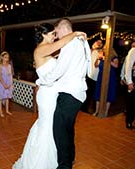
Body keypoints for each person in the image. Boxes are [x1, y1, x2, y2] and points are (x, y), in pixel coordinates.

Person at [13, 23, 86, 169]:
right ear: (44, 35)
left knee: (53, 127)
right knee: (47, 127)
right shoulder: (41, 49)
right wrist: (75, 33)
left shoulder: (48, 51)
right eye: (53, 33)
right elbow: (61, 43)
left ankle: (55, 159)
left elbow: (62, 56)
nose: (55, 36)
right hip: (47, 95)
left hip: (53, 93)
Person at [36, 18, 91, 169]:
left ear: (62, 28)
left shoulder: (71, 44)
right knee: (67, 128)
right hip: (75, 91)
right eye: (53, 33)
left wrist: (42, 81)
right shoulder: (80, 42)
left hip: (69, 92)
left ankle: (64, 166)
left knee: (60, 131)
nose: (56, 35)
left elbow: (60, 70)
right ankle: (70, 157)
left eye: (56, 31)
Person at [93, 47, 119, 117]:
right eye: (104, 49)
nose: (104, 50)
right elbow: (95, 65)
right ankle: (96, 111)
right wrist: (98, 58)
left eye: (105, 49)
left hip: (111, 78)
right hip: (101, 77)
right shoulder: (101, 57)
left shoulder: (114, 57)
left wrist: (107, 59)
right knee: (98, 93)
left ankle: (106, 112)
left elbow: (116, 66)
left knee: (109, 94)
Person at [82, 39, 103, 113]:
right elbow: (85, 57)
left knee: (92, 93)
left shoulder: (101, 53)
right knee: (86, 92)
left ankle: (90, 108)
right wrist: (93, 48)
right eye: (97, 42)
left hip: (96, 76)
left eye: (100, 43)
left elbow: (97, 65)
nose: (98, 44)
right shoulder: (91, 51)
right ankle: (83, 107)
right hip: (88, 74)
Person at [0, 51, 13, 117]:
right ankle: (0, 111)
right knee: (1, 97)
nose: (7, 59)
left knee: (7, 97)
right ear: (2, 58)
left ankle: (7, 110)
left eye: (8, 58)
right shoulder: (0, 66)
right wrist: (4, 84)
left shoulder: (9, 66)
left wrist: (10, 84)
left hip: (8, 82)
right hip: (2, 83)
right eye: (5, 57)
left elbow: (10, 74)